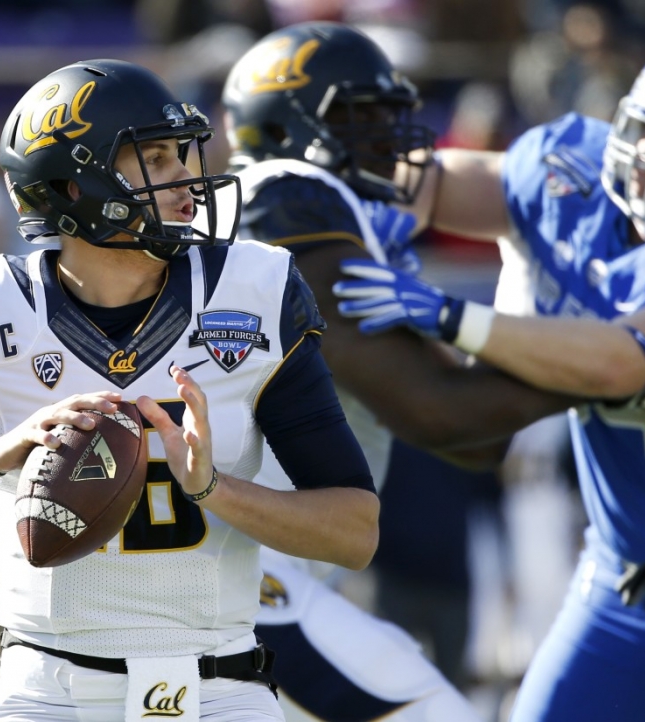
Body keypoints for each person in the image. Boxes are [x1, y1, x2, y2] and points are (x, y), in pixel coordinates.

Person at [0, 58, 380, 722]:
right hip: (49, 691)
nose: (187, 181)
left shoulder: (253, 293)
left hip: (220, 689)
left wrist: (213, 488)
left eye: (183, 154)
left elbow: (355, 532)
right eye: (157, 158)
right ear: (75, 183)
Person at [333, 41, 645, 720]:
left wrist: (449, 314)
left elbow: (622, 359)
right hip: (626, 584)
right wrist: (359, 210)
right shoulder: (570, 173)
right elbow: (441, 183)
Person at [215, 21, 576, 721]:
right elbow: (439, 409)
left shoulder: (322, 223)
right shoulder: (285, 198)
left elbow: (473, 442)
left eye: (393, 115)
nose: (393, 137)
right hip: (227, 572)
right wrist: (620, 361)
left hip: (239, 567)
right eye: (362, 117)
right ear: (283, 129)